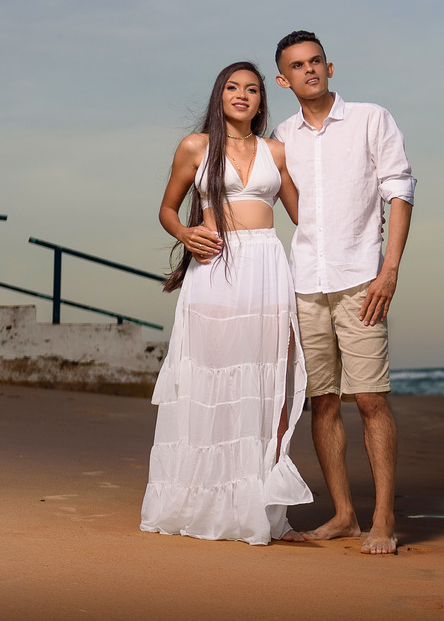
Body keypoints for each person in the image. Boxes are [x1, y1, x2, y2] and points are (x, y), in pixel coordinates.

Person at [140, 61, 312, 545]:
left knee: (264, 380)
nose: (242, 95)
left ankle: (258, 506)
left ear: (261, 101)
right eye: (233, 88)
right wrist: (185, 233)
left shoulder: (277, 151)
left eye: (252, 90)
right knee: (211, 377)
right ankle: (199, 500)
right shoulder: (195, 147)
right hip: (214, 269)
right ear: (220, 96)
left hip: (266, 268)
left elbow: (304, 217)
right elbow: (167, 209)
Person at [272, 30, 415, 555]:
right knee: (324, 402)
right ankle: (344, 515)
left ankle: (383, 519)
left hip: (361, 278)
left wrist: (390, 269)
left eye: (316, 62)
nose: (309, 70)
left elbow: (399, 191)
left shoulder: (371, 119)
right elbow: (277, 202)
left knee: (372, 399)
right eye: (297, 66)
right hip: (306, 281)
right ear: (283, 80)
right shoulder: (281, 137)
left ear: (330, 68)